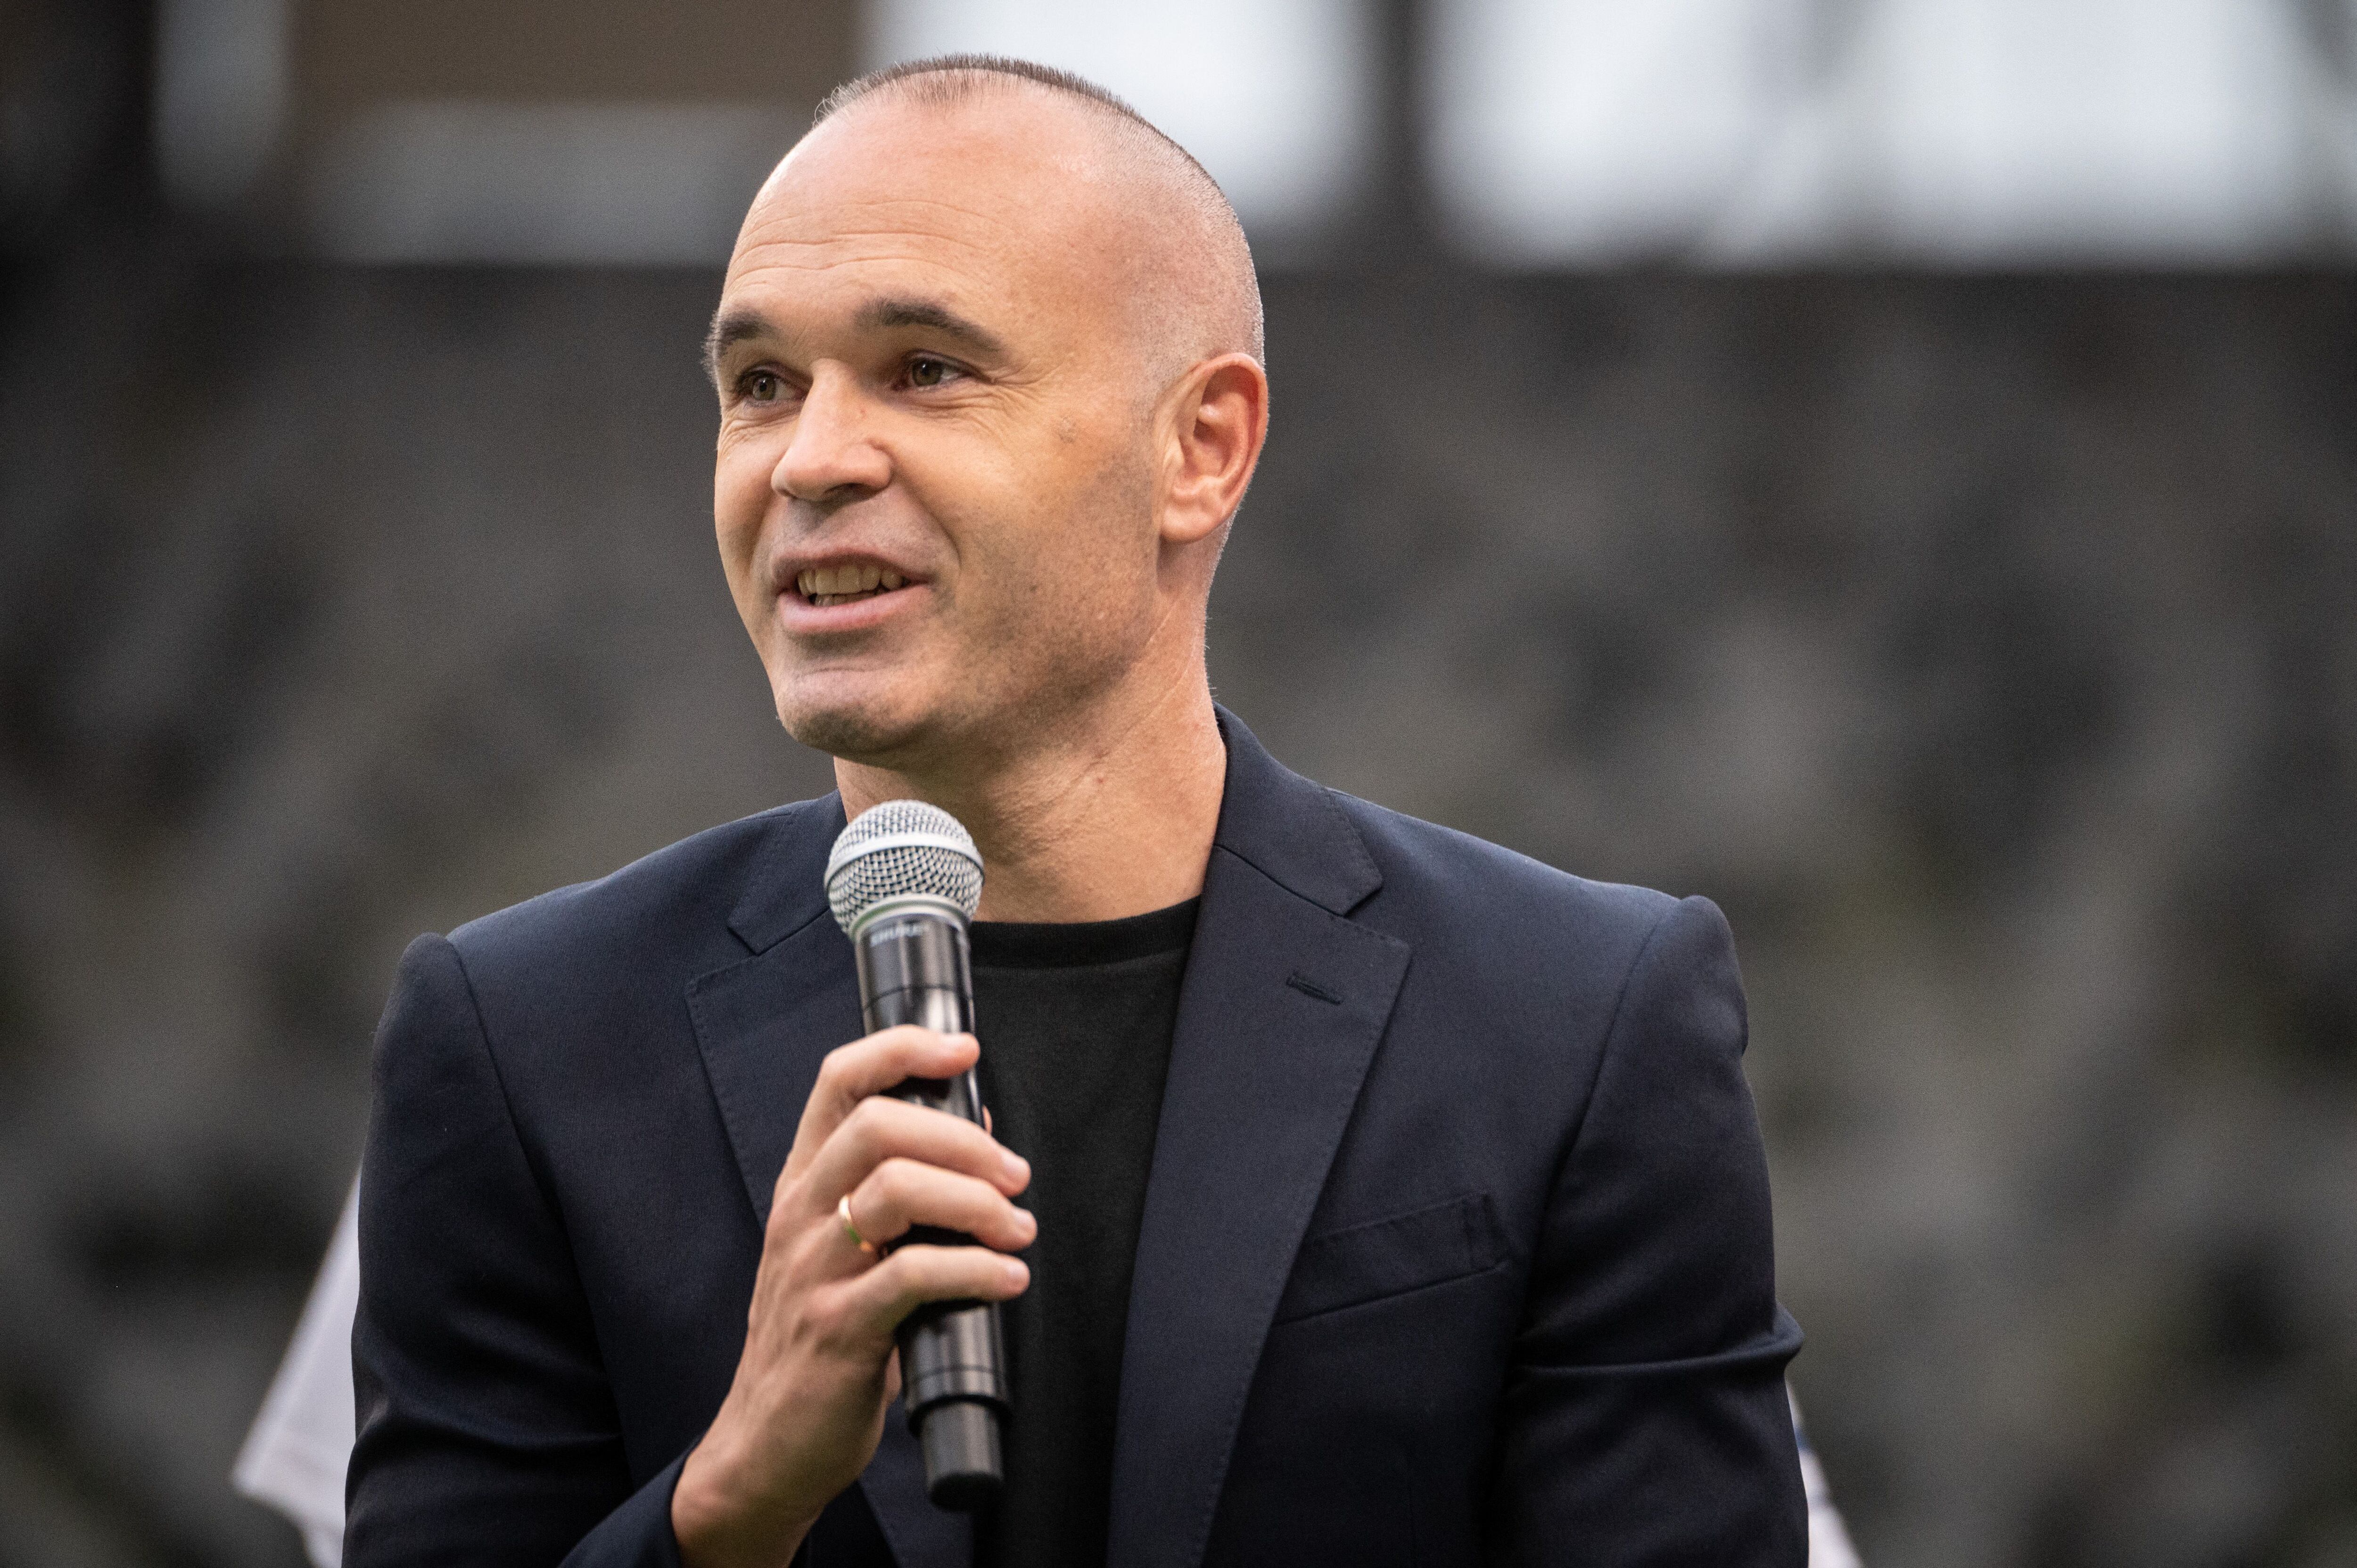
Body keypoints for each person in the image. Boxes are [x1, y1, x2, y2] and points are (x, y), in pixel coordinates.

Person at [342, 56, 1807, 1567]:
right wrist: (729, 1506)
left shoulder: (1571, 1020)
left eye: (926, 368)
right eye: (762, 384)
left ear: (1203, 448)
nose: (811, 459)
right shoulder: (526, 1044)